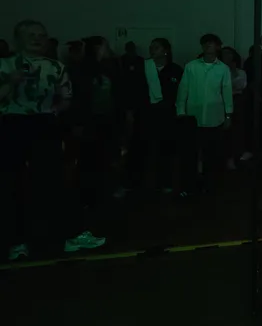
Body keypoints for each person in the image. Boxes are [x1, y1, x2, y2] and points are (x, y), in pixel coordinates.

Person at [1, 20, 105, 260]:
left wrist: (54, 111)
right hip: (11, 124)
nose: (37, 39)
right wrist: (10, 83)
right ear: (18, 38)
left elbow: (66, 96)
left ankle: (70, 235)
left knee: (55, 180)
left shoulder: (56, 67)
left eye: (41, 35)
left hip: (44, 124)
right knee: (12, 183)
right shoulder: (4, 65)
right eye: (31, 35)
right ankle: (16, 241)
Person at [120, 38, 182, 195]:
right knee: (138, 149)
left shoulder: (175, 70)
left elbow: (180, 94)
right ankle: (131, 183)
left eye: (157, 47)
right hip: (144, 113)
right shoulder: (142, 67)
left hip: (166, 115)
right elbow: (132, 90)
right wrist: (130, 112)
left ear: (166, 50)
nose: (152, 50)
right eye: (151, 47)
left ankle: (165, 182)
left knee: (165, 149)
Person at [176, 33, 233, 198]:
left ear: (217, 47)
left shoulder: (223, 68)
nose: (208, 46)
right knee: (190, 155)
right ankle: (189, 186)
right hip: (193, 118)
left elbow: (226, 93)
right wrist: (180, 111)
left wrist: (228, 115)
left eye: (211, 43)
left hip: (214, 118)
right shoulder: (191, 66)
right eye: (205, 43)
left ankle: (209, 186)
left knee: (211, 155)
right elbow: (183, 89)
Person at [70, 36, 124, 210]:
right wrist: (78, 123)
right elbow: (78, 98)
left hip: (107, 119)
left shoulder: (110, 68)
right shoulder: (82, 70)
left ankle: (101, 191)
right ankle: (88, 195)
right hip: (90, 121)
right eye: (104, 46)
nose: (107, 49)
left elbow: (116, 95)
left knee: (106, 157)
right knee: (90, 158)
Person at [222, 47, 248, 171]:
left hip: (236, 101)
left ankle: (233, 157)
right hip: (221, 102)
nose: (226, 56)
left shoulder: (241, 72)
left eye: (228, 54)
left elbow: (241, 85)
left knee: (236, 129)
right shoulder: (218, 70)